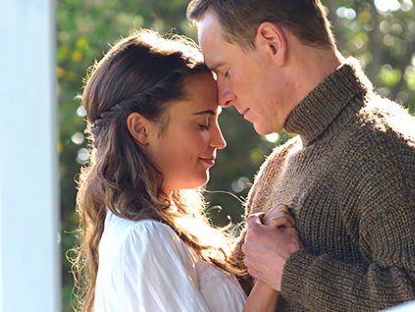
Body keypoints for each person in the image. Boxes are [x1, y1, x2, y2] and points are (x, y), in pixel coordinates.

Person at [186, 0, 415, 312]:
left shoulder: (381, 146)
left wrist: (291, 271)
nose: (222, 96)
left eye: (225, 71)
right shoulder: (279, 167)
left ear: (272, 43)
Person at [71, 29, 284, 312]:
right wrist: (273, 276)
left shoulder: (147, 233)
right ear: (141, 128)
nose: (220, 140)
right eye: (202, 124)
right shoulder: (144, 239)